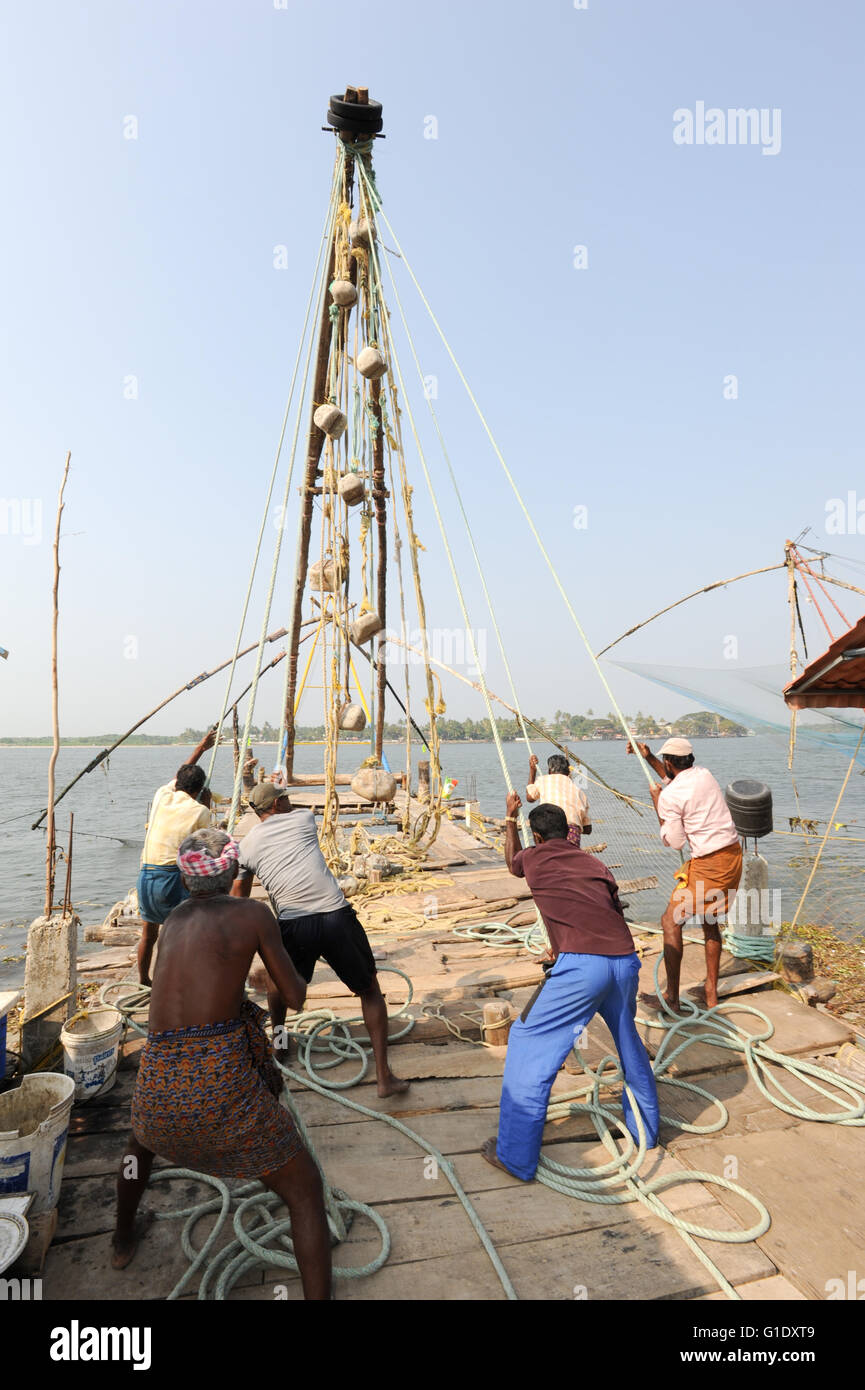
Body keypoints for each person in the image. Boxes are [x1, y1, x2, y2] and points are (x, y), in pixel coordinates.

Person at [113, 828, 332, 1300]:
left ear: (185, 877)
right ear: (232, 870)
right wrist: (261, 973)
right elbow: (294, 997)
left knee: (137, 1147)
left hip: (159, 1082)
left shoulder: (171, 920)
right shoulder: (254, 913)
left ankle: (121, 1238)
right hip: (219, 1094)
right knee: (306, 1190)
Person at [481, 793, 659, 1181]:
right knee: (628, 1041)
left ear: (537, 837)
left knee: (529, 1044)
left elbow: (513, 863)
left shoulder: (532, 857)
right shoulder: (594, 863)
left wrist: (509, 818)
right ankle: (647, 1130)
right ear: (570, 833)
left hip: (583, 966)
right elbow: (608, 909)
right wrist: (561, 948)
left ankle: (513, 1156)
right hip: (624, 959)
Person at [230, 783, 409, 1099]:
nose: (289, 801)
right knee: (369, 990)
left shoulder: (246, 846)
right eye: (284, 798)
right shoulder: (303, 820)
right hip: (335, 916)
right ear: (278, 804)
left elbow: (238, 897)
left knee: (277, 985)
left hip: (293, 924)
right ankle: (384, 1077)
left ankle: (280, 1044)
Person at [627, 736, 742, 1011]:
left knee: (670, 922)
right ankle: (711, 992)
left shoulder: (669, 796)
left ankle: (672, 998)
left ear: (669, 762)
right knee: (710, 921)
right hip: (733, 858)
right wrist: (648, 757)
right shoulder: (703, 774)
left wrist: (657, 802)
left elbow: (674, 841)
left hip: (708, 865)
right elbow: (676, 781)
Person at [135, 727, 217, 985]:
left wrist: (201, 748)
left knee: (149, 933)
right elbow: (203, 849)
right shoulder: (199, 810)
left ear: (179, 784)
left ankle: (143, 980)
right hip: (171, 877)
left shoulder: (162, 795)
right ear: (199, 789)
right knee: (183, 932)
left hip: (146, 875)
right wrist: (208, 805)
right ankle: (179, 982)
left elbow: (181, 771)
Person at [526, 753, 591, 846]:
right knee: (568, 858)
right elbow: (588, 829)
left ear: (549, 771)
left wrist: (532, 770)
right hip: (572, 835)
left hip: (549, 829)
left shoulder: (543, 780)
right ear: (569, 773)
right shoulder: (579, 792)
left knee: (547, 857)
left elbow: (530, 797)